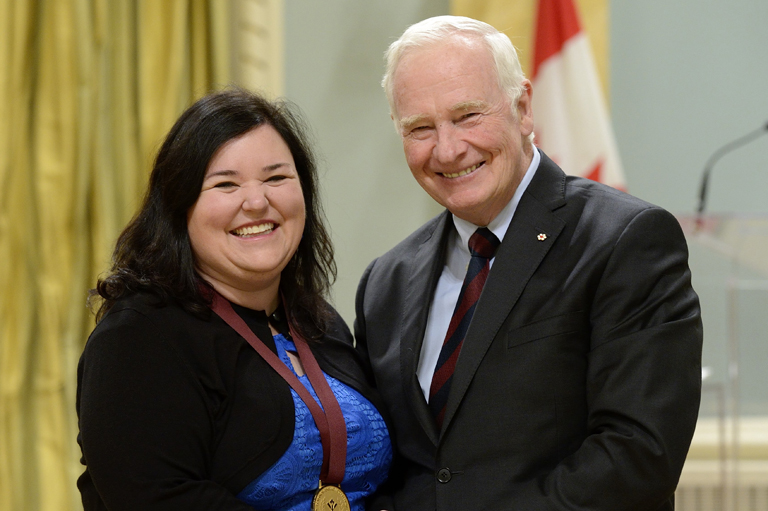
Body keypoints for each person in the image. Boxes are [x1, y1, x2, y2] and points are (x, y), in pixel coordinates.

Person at [354, 15, 702, 511]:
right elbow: (389, 466)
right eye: (420, 128)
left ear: (522, 109)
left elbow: (637, 457)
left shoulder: (625, 242)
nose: (448, 149)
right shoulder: (385, 282)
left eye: (468, 115)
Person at [76, 88, 393, 510]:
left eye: (276, 178)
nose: (257, 201)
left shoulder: (319, 321)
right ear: (179, 205)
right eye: (226, 184)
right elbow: (158, 498)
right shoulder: (139, 336)